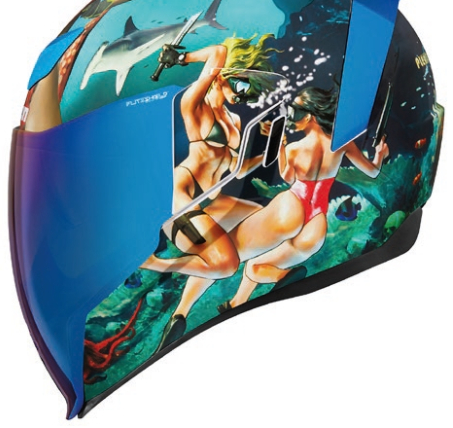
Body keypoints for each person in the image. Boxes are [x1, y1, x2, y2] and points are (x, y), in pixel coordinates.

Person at [140, 35, 277, 348]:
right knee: (226, 265)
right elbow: (218, 51)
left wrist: (270, 148)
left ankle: (182, 314)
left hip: (210, 200)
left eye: (248, 90)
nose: (243, 94)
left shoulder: (233, 119)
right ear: (223, 75)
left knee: (260, 215)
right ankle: (153, 263)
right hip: (181, 200)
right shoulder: (195, 107)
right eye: (240, 84)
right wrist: (182, 59)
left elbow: (236, 169)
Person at [218, 86, 389, 310]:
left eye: (295, 111)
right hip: (316, 222)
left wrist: (281, 147)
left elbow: (288, 177)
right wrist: (380, 155)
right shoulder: (341, 142)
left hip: (293, 207)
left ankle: (281, 278)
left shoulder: (295, 149)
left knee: (253, 266)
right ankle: (237, 303)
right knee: (256, 265)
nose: (291, 117)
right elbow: (373, 172)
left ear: (309, 116)